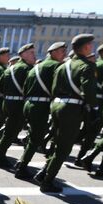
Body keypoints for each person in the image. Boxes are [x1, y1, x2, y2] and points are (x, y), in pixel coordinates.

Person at [34, 34, 97, 193]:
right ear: (87, 47)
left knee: (56, 142)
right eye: (90, 45)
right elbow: (88, 91)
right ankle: (47, 181)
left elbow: (54, 89)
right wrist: (94, 108)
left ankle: (43, 172)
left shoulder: (62, 66)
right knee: (63, 148)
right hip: (71, 110)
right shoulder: (86, 66)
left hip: (56, 106)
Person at [14, 42, 66, 179]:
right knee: (35, 139)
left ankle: (22, 163)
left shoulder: (35, 68)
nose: (64, 54)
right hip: (41, 106)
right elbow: (58, 89)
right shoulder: (57, 67)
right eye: (61, 51)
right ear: (53, 52)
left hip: (29, 104)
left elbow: (25, 89)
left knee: (34, 137)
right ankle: (22, 166)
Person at [0, 43, 36, 168]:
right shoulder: (27, 69)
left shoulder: (9, 69)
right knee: (11, 132)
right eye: (31, 53)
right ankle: (0, 157)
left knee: (9, 131)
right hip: (19, 104)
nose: (34, 55)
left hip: (7, 102)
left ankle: (0, 155)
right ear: (23, 55)